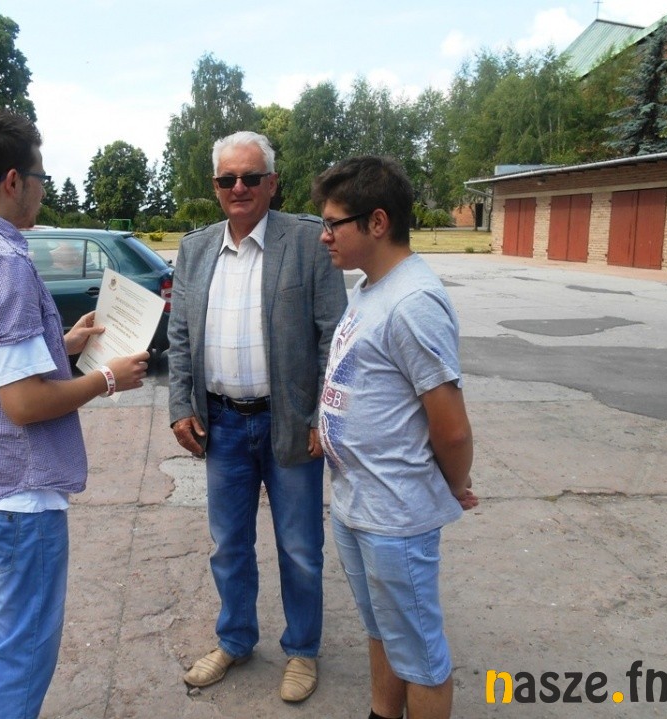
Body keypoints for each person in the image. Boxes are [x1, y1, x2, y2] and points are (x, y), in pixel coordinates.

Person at [0, 108, 149, 719]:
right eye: (41, 177)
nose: (44, 190)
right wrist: (107, 377)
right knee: (21, 644)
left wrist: (61, 345)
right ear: (13, 180)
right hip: (16, 488)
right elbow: (23, 402)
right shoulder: (2, 261)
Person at [168, 130, 348, 703]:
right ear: (215, 186)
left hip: (289, 423)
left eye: (250, 177)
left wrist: (323, 415)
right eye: (228, 179)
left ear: (272, 183)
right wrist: (180, 407)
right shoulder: (196, 249)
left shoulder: (307, 241)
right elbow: (179, 336)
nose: (238, 187)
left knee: (299, 547)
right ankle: (236, 639)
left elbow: (334, 336)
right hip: (220, 424)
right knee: (228, 544)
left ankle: (302, 650)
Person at [311, 156, 479, 719]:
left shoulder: (413, 301)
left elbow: (451, 427)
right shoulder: (369, 289)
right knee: (382, 629)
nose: (325, 235)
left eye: (334, 223)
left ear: (377, 222)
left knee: (420, 655)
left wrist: (453, 485)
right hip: (358, 502)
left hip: (395, 512)